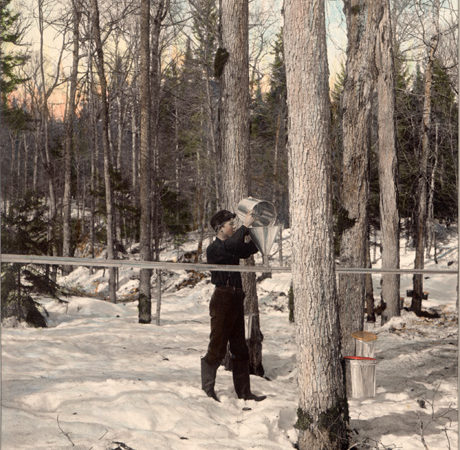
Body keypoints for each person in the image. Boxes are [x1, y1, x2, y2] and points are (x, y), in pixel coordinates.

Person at [201, 209, 266, 402]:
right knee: (217, 347)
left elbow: (248, 249)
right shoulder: (214, 248)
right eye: (231, 224)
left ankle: (244, 392)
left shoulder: (232, 245)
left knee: (240, 348)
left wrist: (258, 232)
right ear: (220, 228)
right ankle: (208, 390)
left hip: (237, 299)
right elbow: (232, 245)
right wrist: (245, 226)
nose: (234, 227)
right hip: (222, 299)